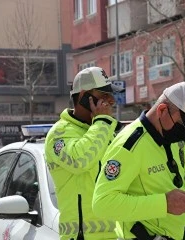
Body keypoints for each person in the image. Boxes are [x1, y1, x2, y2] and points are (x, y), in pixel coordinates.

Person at [92, 82, 185, 240]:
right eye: (182, 125)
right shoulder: (129, 144)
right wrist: (164, 204)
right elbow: (102, 204)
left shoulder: (176, 139)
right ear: (162, 110)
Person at [44, 67, 123, 240]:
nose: (111, 100)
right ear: (84, 97)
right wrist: (102, 122)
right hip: (82, 236)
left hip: (115, 235)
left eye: (111, 95)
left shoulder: (103, 132)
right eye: (104, 95)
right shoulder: (59, 133)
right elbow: (80, 160)